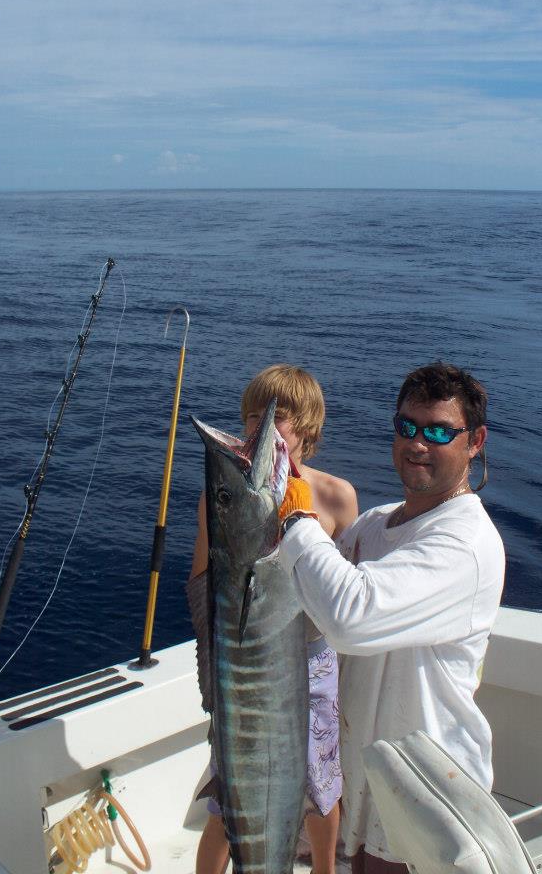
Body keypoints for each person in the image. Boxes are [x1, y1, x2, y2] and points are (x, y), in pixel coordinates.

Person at [276, 362, 505, 874]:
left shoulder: (466, 543)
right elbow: (309, 599)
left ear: (475, 441)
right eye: (407, 426)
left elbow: (349, 619)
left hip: (429, 805)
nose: (418, 443)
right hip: (365, 794)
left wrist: (293, 513)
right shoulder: (373, 525)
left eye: (439, 432)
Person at [189, 364, 358, 874]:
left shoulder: (336, 497)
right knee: (230, 797)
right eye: (250, 416)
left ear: (307, 428)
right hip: (245, 668)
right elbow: (203, 583)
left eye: (275, 417)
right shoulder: (223, 498)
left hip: (312, 662)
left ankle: (325, 869)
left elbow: (348, 592)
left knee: (322, 789)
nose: (257, 426)